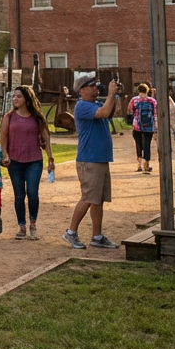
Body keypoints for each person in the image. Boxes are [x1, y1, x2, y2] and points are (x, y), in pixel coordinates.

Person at [63, 73, 121, 249]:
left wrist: (115, 95)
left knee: (97, 199)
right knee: (88, 197)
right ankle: (70, 232)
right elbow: (104, 112)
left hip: (99, 158)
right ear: (82, 90)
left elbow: (111, 112)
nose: (96, 88)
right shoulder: (81, 106)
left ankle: (97, 236)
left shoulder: (94, 104)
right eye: (92, 85)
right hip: (89, 159)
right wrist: (111, 94)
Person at [0, 85, 55, 241]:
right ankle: (21, 226)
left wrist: (50, 157)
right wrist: (5, 154)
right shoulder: (9, 117)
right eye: (14, 96)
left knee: (32, 193)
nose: (15, 99)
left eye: (19, 96)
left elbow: (46, 137)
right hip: (15, 161)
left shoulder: (37, 117)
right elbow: (3, 137)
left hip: (34, 160)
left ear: (27, 99)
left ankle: (33, 223)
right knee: (19, 195)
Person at [128, 83, 157, 174]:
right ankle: (147, 164)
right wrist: (155, 126)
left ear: (138, 90)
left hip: (137, 126)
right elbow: (155, 114)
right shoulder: (152, 101)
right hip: (149, 126)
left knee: (138, 144)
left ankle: (139, 165)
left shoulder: (134, 100)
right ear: (147, 91)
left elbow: (130, 110)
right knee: (147, 144)